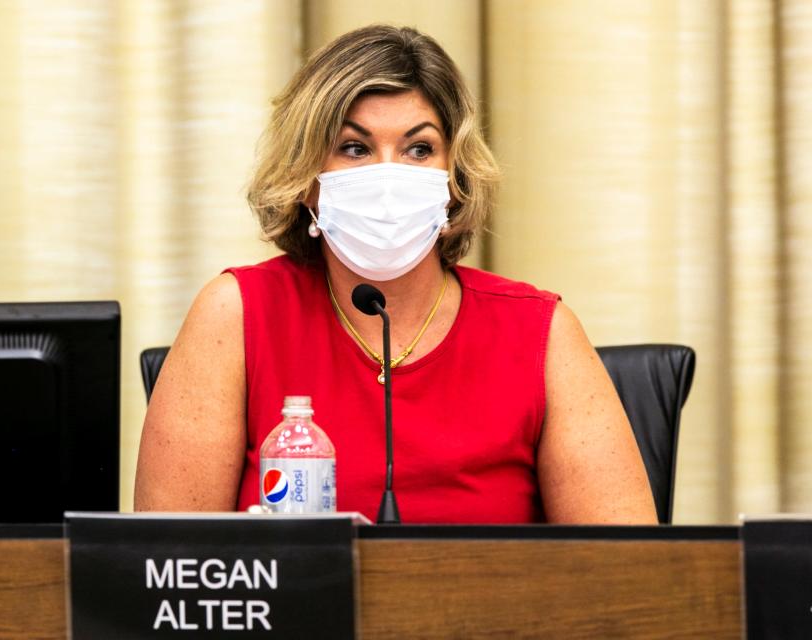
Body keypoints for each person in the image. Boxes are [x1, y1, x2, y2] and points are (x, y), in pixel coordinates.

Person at [134, 25, 657, 524]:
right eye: (355, 148)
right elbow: (168, 570)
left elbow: (629, 574)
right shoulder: (237, 313)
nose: (388, 176)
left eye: (419, 149)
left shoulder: (541, 331)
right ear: (307, 179)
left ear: (456, 177)